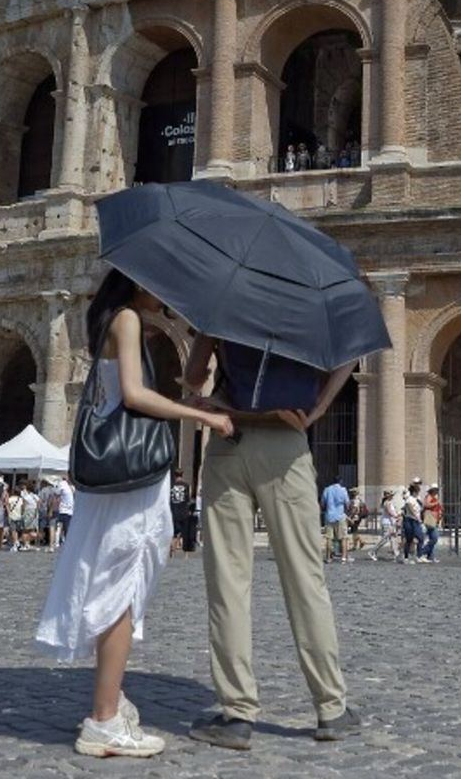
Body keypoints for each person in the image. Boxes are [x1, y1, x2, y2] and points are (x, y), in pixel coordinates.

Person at [35, 270, 236, 759]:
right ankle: (104, 720)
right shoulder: (126, 320)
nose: (167, 294)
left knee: (114, 585)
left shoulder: (111, 319)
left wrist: (184, 401)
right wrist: (203, 416)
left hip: (116, 474)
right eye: (160, 284)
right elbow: (133, 395)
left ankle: (110, 701)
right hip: (131, 483)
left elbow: (127, 399)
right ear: (141, 282)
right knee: (121, 590)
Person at [181, 321, 360, 751]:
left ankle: (237, 714)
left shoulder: (226, 302)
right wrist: (318, 409)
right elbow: (351, 352)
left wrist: (210, 336)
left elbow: (193, 376)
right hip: (286, 443)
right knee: (306, 581)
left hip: (229, 439)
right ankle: (331, 707)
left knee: (228, 585)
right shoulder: (308, 305)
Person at [320, 473, 350, 565]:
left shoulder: (327, 490)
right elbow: (347, 504)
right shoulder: (343, 490)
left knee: (329, 538)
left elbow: (322, 503)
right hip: (340, 516)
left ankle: (328, 558)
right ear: (341, 481)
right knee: (343, 538)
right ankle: (343, 557)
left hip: (329, 516)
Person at [369, 489, 398, 561]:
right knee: (385, 539)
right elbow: (390, 512)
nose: (392, 496)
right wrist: (398, 515)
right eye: (391, 495)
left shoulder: (389, 503)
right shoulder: (386, 503)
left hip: (391, 522)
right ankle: (373, 551)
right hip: (387, 523)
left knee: (393, 538)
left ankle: (396, 554)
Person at [401, 480, 426, 562]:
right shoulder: (409, 499)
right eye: (417, 491)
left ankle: (419, 555)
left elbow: (421, 508)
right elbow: (410, 508)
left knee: (420, 537)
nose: (418, 493)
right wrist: (417, 517)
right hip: (410, 520)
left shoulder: (417, 499)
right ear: (414, 492)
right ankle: (406, 557)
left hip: (416, 521)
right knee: (409, 539)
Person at [170, 469, 190, 558]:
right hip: (184, 511)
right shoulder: (186, 485)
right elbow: (188, 499)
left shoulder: (171, 486)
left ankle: (172, 552)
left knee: (174, 534)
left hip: (174, 512)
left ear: (175, 475)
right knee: (185, 534)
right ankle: (186, 555)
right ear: (182, 475)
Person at [420, 484, 443, 562]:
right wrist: (436, 503)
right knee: (434, 538)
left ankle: (430, 556)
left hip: (434, 519)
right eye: (435, 490)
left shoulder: (434, 497)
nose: (436, 491)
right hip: (430, 519)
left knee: (432, 537)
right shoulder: (429, 497)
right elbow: (426, 505)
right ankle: (422, 552)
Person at [53, 474, 74, 550]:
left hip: (70, 511)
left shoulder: (72, 486)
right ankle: (56, 542)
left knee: (67, 528)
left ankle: (65, 541)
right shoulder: (62, 484)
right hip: (63, 510)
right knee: (60, 527)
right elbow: (56, 494)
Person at [345, 488, 368, 554]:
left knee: (354, 531)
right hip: (356, 517)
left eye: (352, 492)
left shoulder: (356, 500)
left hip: (355, 517)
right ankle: (358, 543)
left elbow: (354, 509)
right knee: (354, 531)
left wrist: (350, 517)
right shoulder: (358, 500)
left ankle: (360, 542)